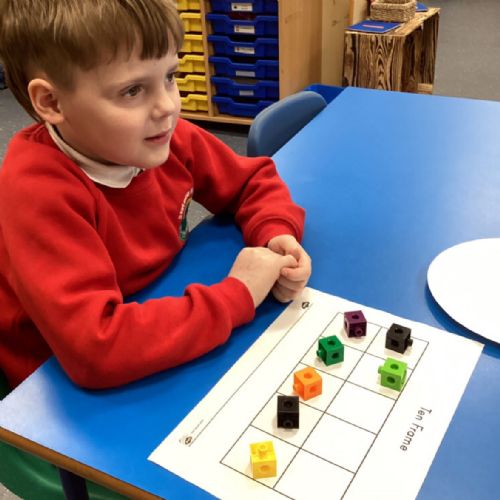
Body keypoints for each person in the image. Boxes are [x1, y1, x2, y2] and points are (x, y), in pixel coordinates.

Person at [0, 0, 311, 392]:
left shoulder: (162, 137)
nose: (167, 106)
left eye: (170, 76)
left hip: (155, 309)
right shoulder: (37, 192)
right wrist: (239, 293)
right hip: (49, 380)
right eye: (133, 90)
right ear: (52, 102)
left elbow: (250, 181)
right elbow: (95, 349)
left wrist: (275, 231)